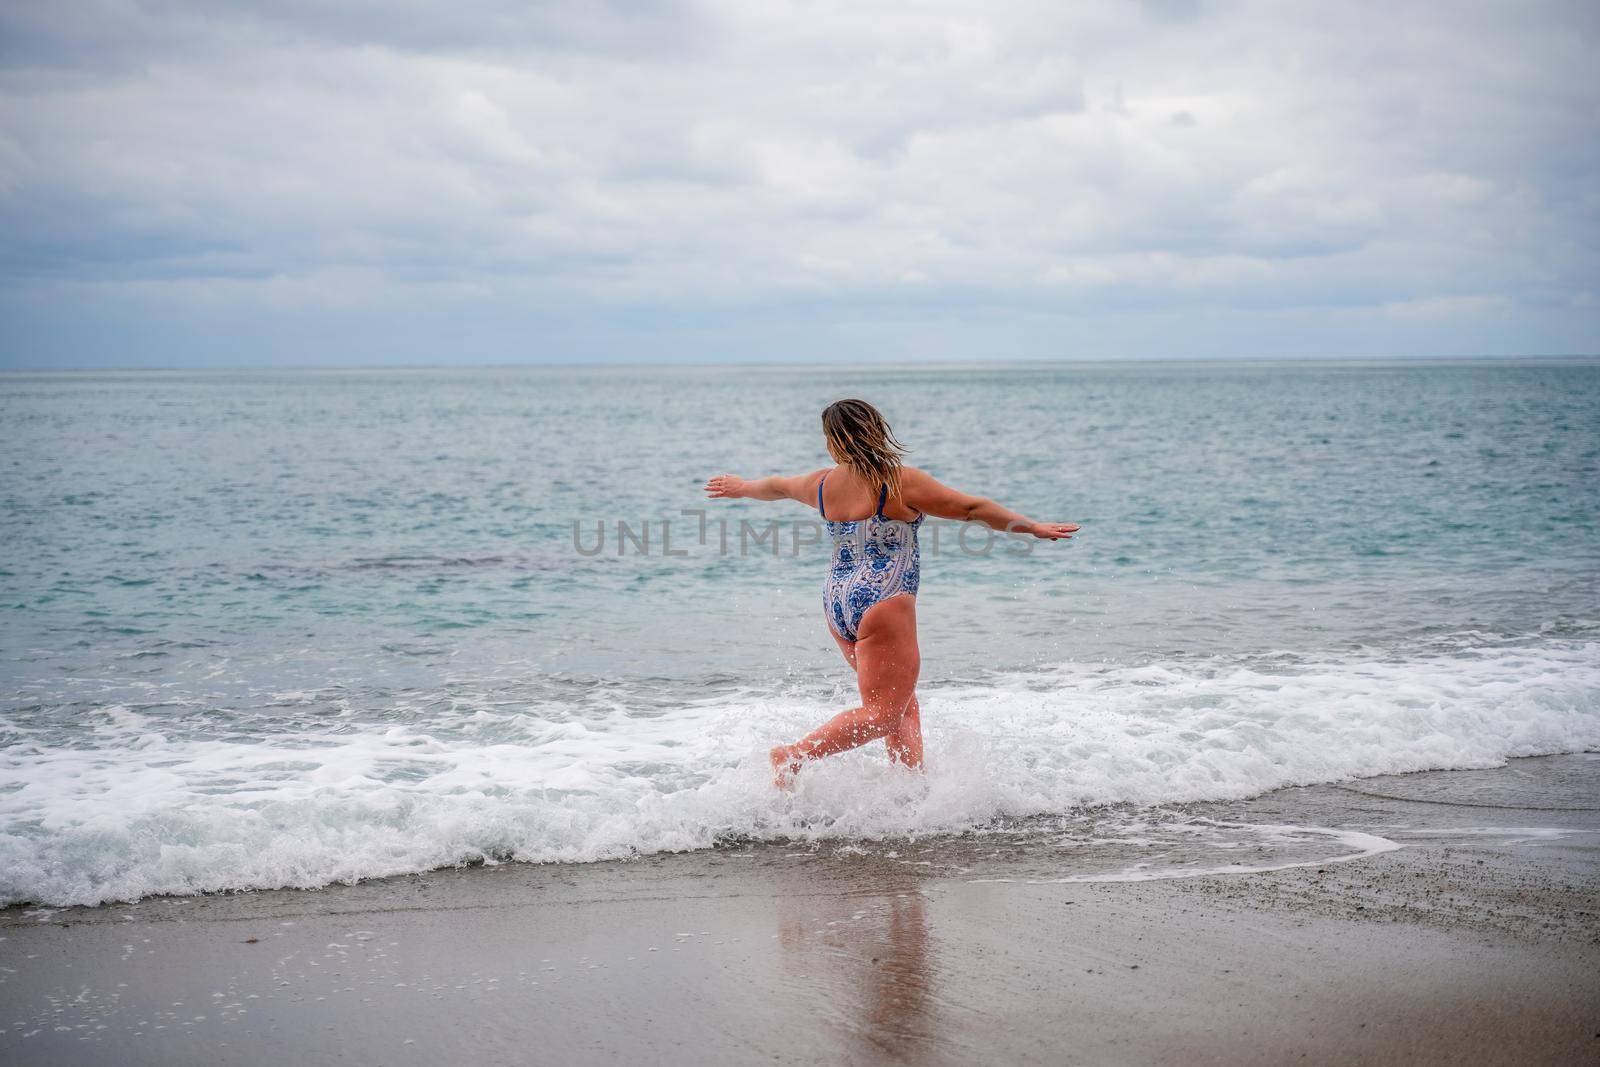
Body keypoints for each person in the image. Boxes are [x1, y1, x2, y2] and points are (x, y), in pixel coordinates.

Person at [704, 398, 1078, 787]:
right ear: (878, 429)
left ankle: (908, 790)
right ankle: (793, 756)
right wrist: (1031, 527)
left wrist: (742, 488)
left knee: (901, 704)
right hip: (883, 598)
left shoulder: (820, 483)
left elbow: (777, 486)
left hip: (837, 600)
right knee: (883, 712)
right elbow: (970, 508)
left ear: (833, 441)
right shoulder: (899, 481)